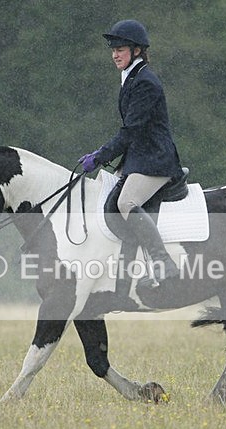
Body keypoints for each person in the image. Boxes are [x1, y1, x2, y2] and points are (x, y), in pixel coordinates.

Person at [79, 19, 184, 287]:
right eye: (113, 50)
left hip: (156, 160)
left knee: (126, 203)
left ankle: (163, 263)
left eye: (121, 49)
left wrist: (101, 156)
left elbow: (131, 131)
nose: (115, 55)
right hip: (140, 157)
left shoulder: (145, 82)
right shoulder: (132, 78)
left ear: (137, 50)